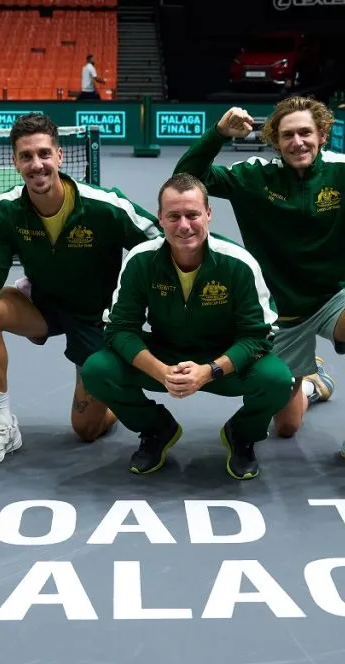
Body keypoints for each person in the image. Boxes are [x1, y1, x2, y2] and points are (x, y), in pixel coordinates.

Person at [173, 95, 345, 476]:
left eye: (305, 132)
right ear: (275, 140)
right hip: (278, 312)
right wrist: (219, 133)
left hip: (334, 298)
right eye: (287, 135)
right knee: (286, 428)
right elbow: (187, 180)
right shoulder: (254, 175)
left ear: (321, 134)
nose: (297, 142)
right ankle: (310, 384)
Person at [0, 113, 161, 466]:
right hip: (44, 306)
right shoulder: (6, 211)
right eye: (26, 156)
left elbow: (159, 246)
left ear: (59, 156)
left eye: (43, 154)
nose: (36, 165)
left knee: (85, 429)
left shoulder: (105, 205)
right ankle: (3, 422)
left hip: (95, 317)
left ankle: (111, 392)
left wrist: (135, 303)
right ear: (15, 161)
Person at [81, 173, 290, 479]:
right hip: (165, 353)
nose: (183, 225)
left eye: (192, 215)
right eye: (173, 216)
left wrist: (210, 371)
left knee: (276, 379)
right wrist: (160, 371)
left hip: (223, 359)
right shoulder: (141, 261)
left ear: (208, 213)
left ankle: (242, 434)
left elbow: (257, 337)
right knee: (97, 370)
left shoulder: (239, 263)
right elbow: (120, 329)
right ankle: (156, 429)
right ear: (160, 219)